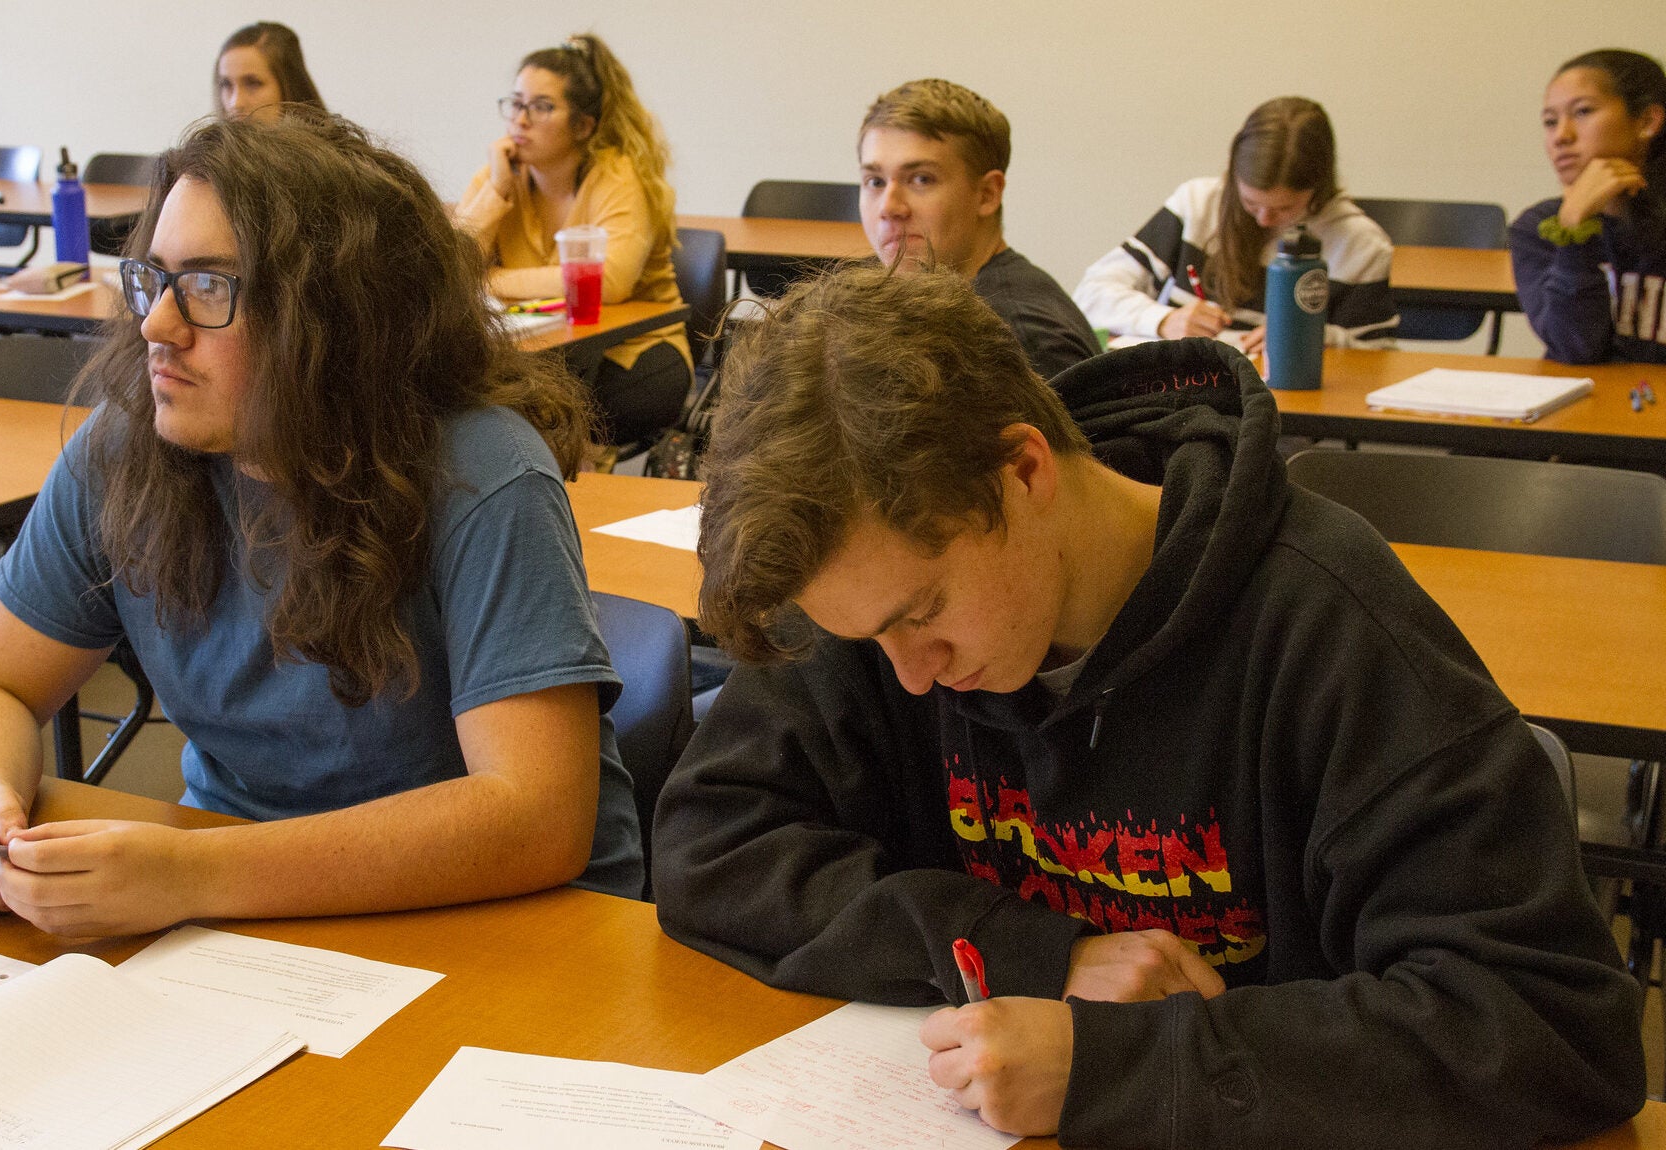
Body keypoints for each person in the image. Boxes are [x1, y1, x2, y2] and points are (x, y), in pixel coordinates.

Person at [650, 264, 1643, 1147]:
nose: (908, 674)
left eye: (923, 615)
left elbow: (1544, 1022)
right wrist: (1028, 954)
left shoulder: (1324, 625)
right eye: (872, 638)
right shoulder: (878, 584)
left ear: (1023, 469)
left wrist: (1115, 1065)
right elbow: (710, 840)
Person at [0, 113, 644, 939]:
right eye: (154, 280)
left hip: (498, 917)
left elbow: (534, 819)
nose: (157, 324)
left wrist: (190, 872)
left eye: (209, 288)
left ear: (333, 319)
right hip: (243, 899)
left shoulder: (482, 473)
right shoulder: (126, 451)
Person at [455, 33, 690, 449]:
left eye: (541, 107)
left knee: (550, 410)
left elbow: (610, 280)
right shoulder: (500, 176)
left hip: (632, 348)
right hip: (539, 349)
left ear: (583, 126)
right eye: (516, 103)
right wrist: (494, 192)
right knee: (467, 398)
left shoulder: (618, 176)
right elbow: (450, 270)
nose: (520, 120)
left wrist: (492, 280)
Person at [1072, 96, 1396, 352]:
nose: (1264, 219)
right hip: (1182, 397)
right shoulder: (1197, 204)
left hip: (1285, 414)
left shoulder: (1360, 245)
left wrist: (1312, 337)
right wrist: (1163, 320)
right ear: (1233, 176)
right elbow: (1091, 293)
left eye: (1285, 209)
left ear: (1319, 189)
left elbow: (1374, 356)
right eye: (1251, 203)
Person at [858, 79, 1097, 380]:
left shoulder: (1018, 338)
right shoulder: (930, 306)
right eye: (875, 182)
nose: (889, 207)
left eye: (921, 179)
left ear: (987, 194)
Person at [1512, 49, 1666, 364]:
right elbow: (1576, 350)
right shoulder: (1540, 226)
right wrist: (1574, 229)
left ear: (1647, 121)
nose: (1561, 136)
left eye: (1582, 112)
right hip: (1590, 409)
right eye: (1550, 122)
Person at [214, 21, 325, 122]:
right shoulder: (209, 143)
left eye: (252, 83)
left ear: (291, 85)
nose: (236, 103)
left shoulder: (331, 143)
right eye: (226, 84)